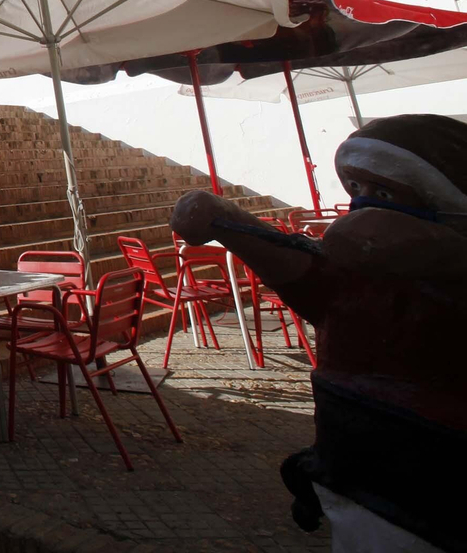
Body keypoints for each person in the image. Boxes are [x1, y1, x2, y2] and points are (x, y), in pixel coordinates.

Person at [171, 114, 467, 553]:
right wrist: (224, 219)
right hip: (354, 475)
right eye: (357, 191)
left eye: (383, 193)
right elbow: (308, 277)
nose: (365, 207)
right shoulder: (359, 282)